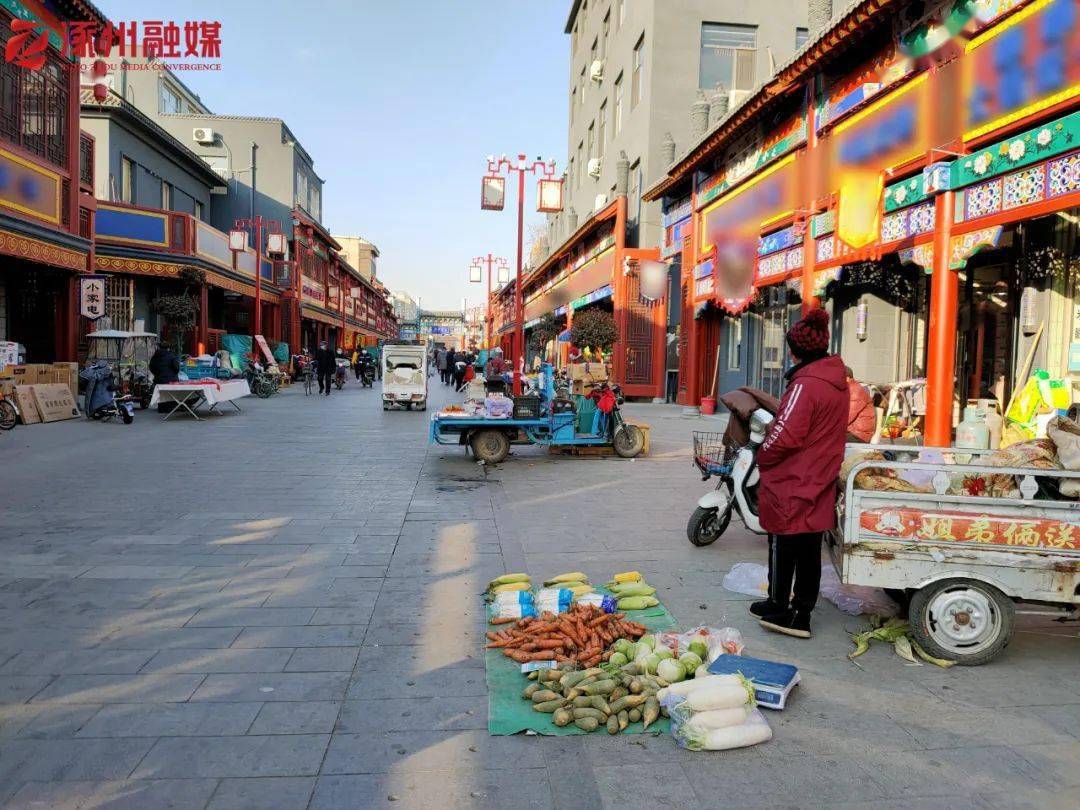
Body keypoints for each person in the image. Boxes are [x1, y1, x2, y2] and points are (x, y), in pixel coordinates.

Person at [752, 308, 848, 639]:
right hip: (818, 474)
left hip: (795, 477)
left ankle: (791, 612)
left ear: (796, 349)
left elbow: (785, 432)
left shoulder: (806, 384)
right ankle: (784, 603)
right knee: (807, 547)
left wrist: (763, 455)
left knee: (784, 542)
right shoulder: (834, 381)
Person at [845, 366, 876, 443]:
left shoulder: (855, 391)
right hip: (851, 432)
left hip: (859, 435)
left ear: (847, 378)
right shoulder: (847, 390)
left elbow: (846, 417)